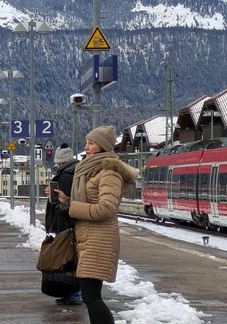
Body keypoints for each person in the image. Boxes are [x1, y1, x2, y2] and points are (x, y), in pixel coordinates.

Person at [54, 126, 137, 324]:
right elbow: (91, 202)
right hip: (89, 238)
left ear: (103, 146)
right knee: (90, 296)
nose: (86, 147)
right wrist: (66, 201)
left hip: (99, 240)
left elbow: (107, 208)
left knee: (91, 296)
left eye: (91, 143)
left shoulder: (109, 172)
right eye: (87, 142)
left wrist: (72, 208)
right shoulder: (93, 169)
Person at [44, 143, 82, 306]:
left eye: (58, 163)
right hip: (69, 222)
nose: (57, 165)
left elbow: (64, 202)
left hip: (66, 223)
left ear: (62, 162)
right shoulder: (72, 172)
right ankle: (73, 293)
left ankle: (74, 294)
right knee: (70, 259)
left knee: (68, 260)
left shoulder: (66, 175)